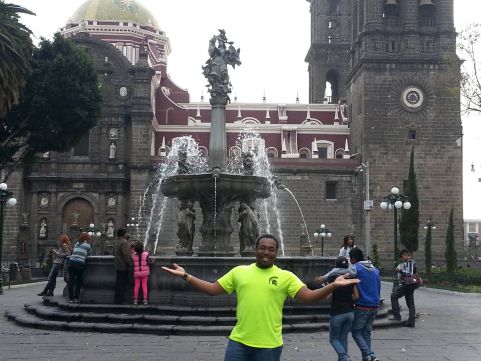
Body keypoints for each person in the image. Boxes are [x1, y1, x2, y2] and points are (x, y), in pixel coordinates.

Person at [162, 234, 359, 361]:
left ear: (276, 252)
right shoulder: (239, 272)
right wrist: (186, 276)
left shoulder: (285, 276)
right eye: (262, 247)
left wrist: (332, 285)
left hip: (269, 346)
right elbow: (213, 289)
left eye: (271, 248)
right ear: (256, 250)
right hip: (238, 343)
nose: (266, 251)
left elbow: (308, 297)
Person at [324, 256, 359, 361]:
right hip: (350, 312)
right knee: (343, 338)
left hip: (337, 312)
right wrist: (347, 298)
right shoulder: (351, 279)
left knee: (333, 339)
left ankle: (344, 357)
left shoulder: (332, 279)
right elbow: (356, 297)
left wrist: (326, 286)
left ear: (336, 266)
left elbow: (327, 297)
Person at [349, 247, 381, 361]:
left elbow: (345, 274)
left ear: (353, 258)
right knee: (366, 332)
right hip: (375, 304)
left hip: (363, 304)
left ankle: (369, 353)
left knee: (356, 331)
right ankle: (367, 357)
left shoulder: (356, 268)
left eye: (350, 258)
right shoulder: (375, 269)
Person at [390, 249, 418, 327]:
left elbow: (409, 273)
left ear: (404, 255)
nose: (402, 259)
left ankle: (397, 316)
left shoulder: (410, 262)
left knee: (394, 296)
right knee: (410, 302)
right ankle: (411, 321)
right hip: (411, 284)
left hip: (408, 284)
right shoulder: (411, 262)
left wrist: (399, 270)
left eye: (402, 258)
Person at [67, 232, 92, 303]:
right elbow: (90, 254)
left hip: (71, 262)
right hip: (79, 264)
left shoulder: (76, 244)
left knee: (71, 281)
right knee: (78, 281)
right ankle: (76, 298)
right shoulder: (87, 245)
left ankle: (71, 298)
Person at [113, 228, 133, 304]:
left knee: (118, 283)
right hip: (123, 266)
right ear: (124, 234)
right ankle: (120, 300)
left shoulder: (115, 242)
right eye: (125, 233)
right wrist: (131, 264)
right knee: (122, 284)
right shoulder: (124, 242)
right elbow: (126, 255)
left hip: (117, 264)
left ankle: (116, 299)